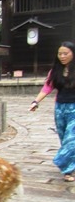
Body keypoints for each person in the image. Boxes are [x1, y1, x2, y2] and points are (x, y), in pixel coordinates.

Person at [29, 41, 75, 182]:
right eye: (60, 53)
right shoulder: (55, 71)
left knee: (71, 139)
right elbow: (47, 88)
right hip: (60, 108)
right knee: (63, 138)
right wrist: (36, 101)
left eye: (65, 53)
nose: (62, 56)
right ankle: (70, 166)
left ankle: (64, 166)